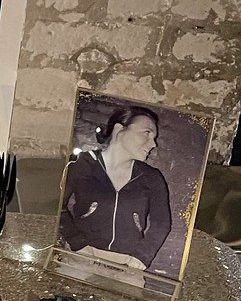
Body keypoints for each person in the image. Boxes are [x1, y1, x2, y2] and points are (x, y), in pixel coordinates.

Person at [59, 104, 172, 272]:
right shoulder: (81, 164)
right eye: (147, 133)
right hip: (81, 256)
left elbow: (161, 223)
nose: (153, 144)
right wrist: (77, 243)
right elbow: (56, 205)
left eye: (154, 137)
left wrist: (141, 257)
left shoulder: (152, 178)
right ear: (119, 129)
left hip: (127, 263)